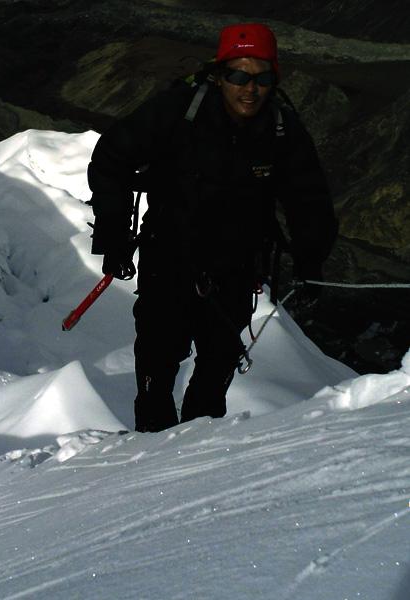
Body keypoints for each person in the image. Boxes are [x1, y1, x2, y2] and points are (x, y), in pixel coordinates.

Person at [87, 23, 337, 432]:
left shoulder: (281, 128)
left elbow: (307, 196)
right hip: (168, 257)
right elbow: (111, 158)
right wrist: (113, 237)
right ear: (219, 74)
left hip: (235, 268)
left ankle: (198, 462)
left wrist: (312, 255)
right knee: (157, 364)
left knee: (215, 371)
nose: (250, 89)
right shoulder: (177, 112)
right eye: (238, 75)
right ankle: (149, 456)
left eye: (262, 78)